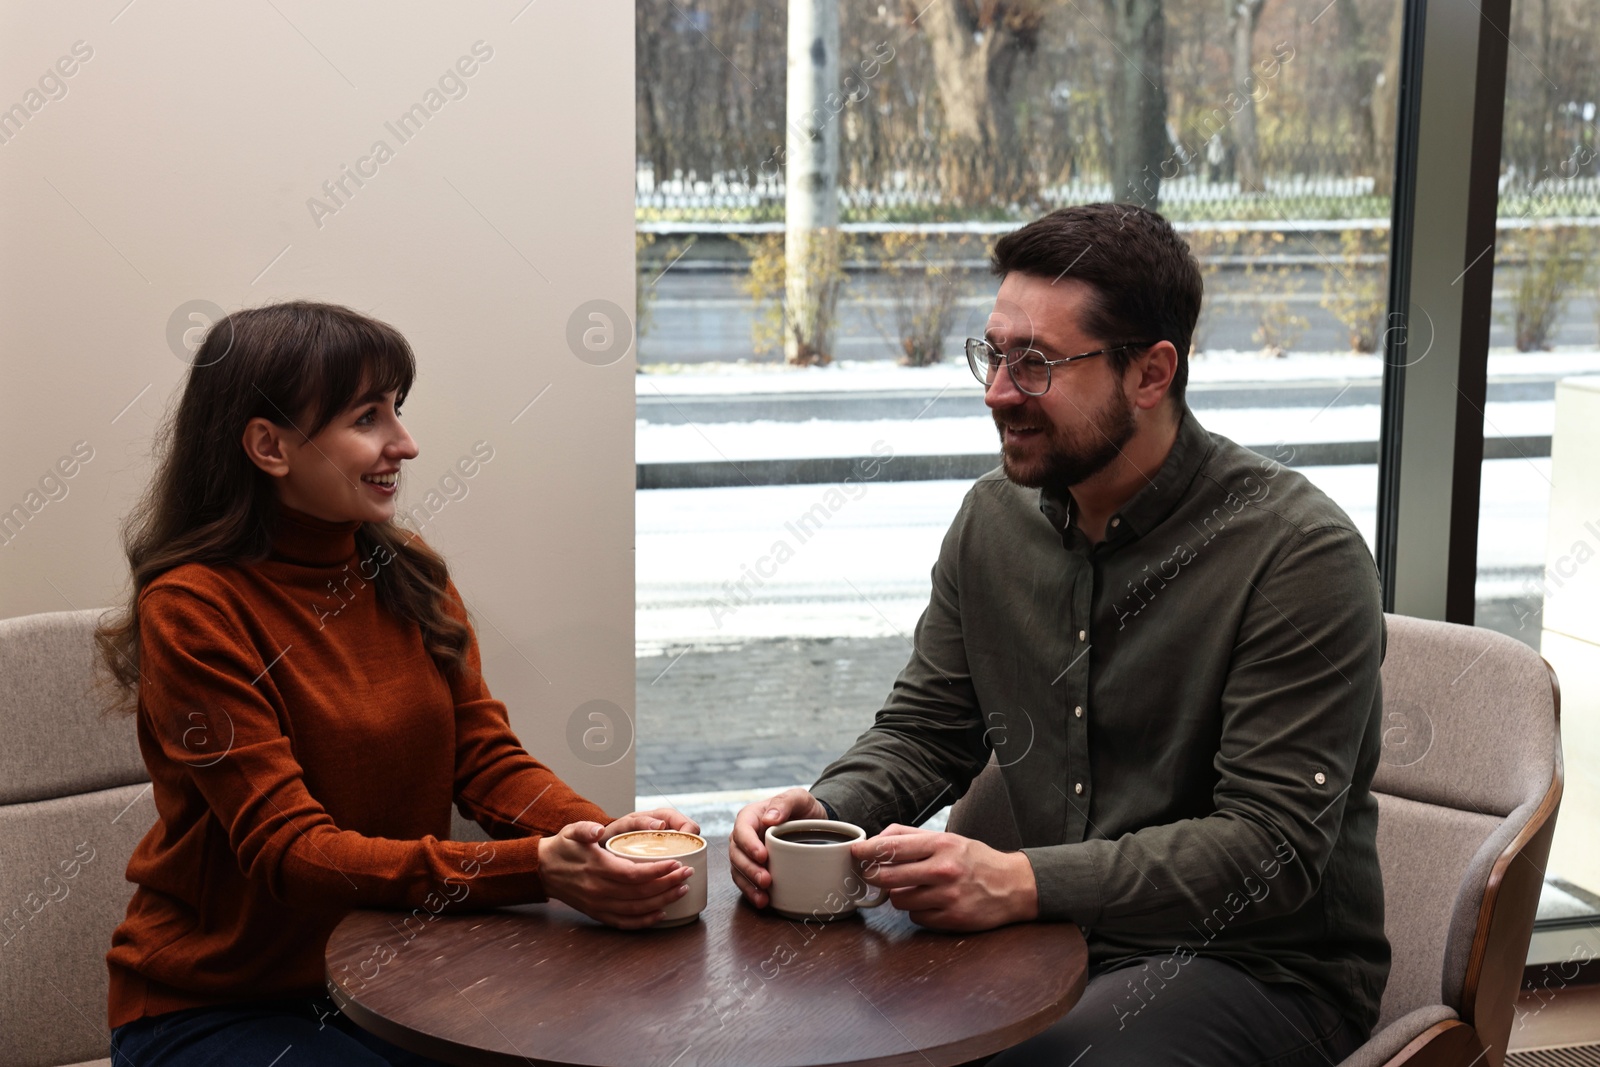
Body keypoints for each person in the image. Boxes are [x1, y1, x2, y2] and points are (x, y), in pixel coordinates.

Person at [730, 204, 1387, 1065]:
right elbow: (928, 729)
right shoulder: (991, 523)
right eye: (994, 355)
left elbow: (1267, 848)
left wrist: (1020, 879)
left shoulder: (1299, 552)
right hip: (1046, 936)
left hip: (1259, 968)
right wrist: (824, 813)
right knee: (807, 1022)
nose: (1000, 391)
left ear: (1151, 373)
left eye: (1036, 363)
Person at [98, 302, 697, 1066]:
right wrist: (535, 868)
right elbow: (292, 851)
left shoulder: (406, 571)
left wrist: (608, 840)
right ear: (267, 445)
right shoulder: (192, 608)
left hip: (393, 981)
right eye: (367, 417)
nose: (405, 444)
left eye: (398, 411)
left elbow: (486, 762)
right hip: (217, 1004)